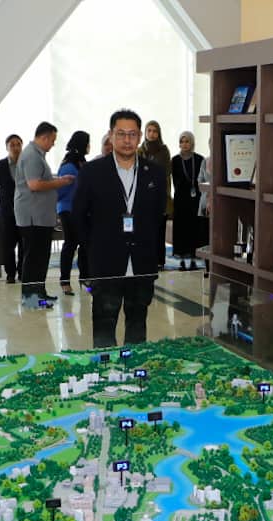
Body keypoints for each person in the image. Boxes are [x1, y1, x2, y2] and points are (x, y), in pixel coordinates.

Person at [73, 108, 168, 347]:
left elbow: (157, 217)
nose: (127, 140)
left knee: (137, 327)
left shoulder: (155, 174)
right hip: (106, 265)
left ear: (139, 137)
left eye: (132, 134)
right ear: (111, 135)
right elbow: (78, 216)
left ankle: (133, 367)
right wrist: (93, 249)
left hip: (141, 264)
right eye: (121, 134)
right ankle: (106, 369)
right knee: (104, 328)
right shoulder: (92, 172)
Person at [14, 121, 73, 306]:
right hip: (33, 216)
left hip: (41, 216)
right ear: (44, 137)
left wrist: (57, 180)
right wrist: (61, 182)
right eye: (52, 140)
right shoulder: (32, 155)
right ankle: (31, 298)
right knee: (34, 258)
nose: (53, 144)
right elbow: (34, 185)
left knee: (41, 257)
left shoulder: (37, 155)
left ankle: (39, 293)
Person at [56, 131, 91, 295]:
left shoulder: (80, 162)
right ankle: (64, 280)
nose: (89, 146)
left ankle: (85, 277)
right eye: (87, 143)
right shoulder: (69, 165)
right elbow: (60, 191)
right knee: (70, 244)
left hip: (80, 210)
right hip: (68, 210)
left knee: (84, 244)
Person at [171, 131, 207, 270]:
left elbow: (202, 179)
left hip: (195, 198)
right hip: (181, 198)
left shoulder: (199, 159)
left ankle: (194, 254)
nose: (184, 144)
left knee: (194, 226)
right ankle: (181, 255)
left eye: (187, 141)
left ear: (192, 143)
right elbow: (175, 180)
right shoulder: (175, 160)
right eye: (182, 141)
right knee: (181, 226)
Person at [138, 120, 172, 270]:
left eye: (155, 131)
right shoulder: (140, 151)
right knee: (145, 230)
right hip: (144, 195)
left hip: (159, 193)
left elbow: (166, 174)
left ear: (159, 133)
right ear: (145, 132)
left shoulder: (164, 151)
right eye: (149, 130)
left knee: (159, 230)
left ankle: (159, 261)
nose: (152, 134)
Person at [0, 134, 22, 284]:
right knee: (8, 244)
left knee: (24, 243)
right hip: (7, 210)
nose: (15, 147)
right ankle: (10, 274)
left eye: (18, 144)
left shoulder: (27, 163)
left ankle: (23, 272)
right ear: (7, 147)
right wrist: (4, 196)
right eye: (12, 145)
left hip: (25, 209)